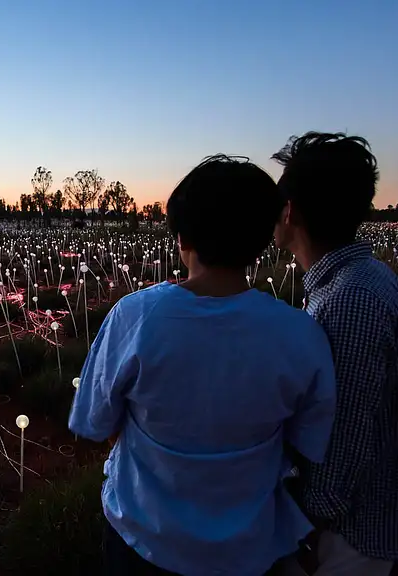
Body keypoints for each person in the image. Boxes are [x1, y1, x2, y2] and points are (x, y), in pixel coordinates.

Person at [69, 155, 338, 576]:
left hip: (143, 543)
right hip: (250, 552)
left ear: (182, 238)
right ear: (264, 238)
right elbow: (308, 443)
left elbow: (96, 422)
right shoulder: (300, 334)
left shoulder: (135, 317)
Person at [270, 132, 398, 575]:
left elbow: (343, 436)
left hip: (349, 536)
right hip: (356, 526)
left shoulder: (351, 301)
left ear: (290, 211)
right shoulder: (362, 281)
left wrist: (308, 527)